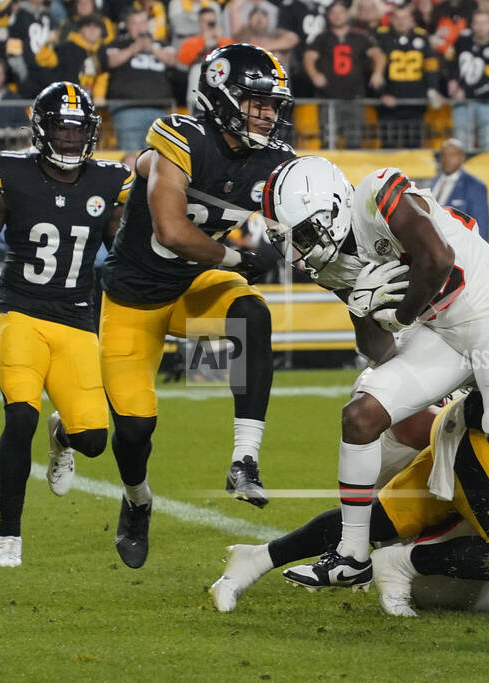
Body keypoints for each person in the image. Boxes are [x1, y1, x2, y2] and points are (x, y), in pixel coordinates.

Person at [263, 156, 489, 595]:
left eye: (303, 235)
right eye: (289, 241)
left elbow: (437, 259)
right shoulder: (330, 263)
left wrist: (399, 313)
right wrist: (361, 310)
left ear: (331, 207)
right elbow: (379, 351)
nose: (298, 251)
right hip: (441, 332)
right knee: (361, 415)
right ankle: (352, 554)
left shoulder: (375, 194)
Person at [99, 45, 294, 569]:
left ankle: (244, 459)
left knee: (252, 315)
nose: (269, 115)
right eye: (257, 103)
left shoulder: (276, 161)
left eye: (273, 105)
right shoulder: (180, 137)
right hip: (133, 300)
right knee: (134, 431)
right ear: (222, 96)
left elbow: (310, 220)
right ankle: (137, 500)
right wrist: (233, 256)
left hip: (190, 290)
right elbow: (171, 229)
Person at [0, 82, 133, 568]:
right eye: (62, 129)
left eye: (79, 129)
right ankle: (9, 537)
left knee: (94, 442)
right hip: (21, 313)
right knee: (19, 416)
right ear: (42, 130)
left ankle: (62, 435)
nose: (70, 139)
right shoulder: (13, 175)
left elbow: (127, 253)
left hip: (76, 321)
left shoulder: (109, 183)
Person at [211, 389, 489, 615]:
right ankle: (401, 563)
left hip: (469, 443)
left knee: (378, 519)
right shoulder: (419, 347)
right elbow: (410, 423)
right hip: (470, 446)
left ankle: (257, 557)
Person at [303, 0, 386, 149]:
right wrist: (314, 74)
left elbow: (378, 55)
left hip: (354, 97)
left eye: (340, 12)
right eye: (333, 13)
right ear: (328, 16)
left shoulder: (360, 37)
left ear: (347, 14)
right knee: (328, 140)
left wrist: (378, 73)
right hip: (328, 98)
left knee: (354, 140)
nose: (337, 16)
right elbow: (309, 57)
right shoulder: (322, 38)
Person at [101, 8, 177, 151]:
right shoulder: (118, 44)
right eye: (134, 23)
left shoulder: (162, 45)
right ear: (128, 26)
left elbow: (172, 60)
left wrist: (152, 48)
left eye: (142, 22)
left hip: (158, 108)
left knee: (155, 157)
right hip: (126, 108)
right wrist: (134, 48)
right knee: (131, 156)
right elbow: (111, 61)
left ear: (149, 24)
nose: (139, 27)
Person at [375, 4, 440, 149]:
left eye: (405, 18)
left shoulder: (422, 37)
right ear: (391, 19)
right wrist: (381, 94)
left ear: (412, 20)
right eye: (397, 18)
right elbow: (372, 72)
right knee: (388, 149)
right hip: (389, 107)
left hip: (415, 104)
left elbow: (431, 67)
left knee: (413, 148)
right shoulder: (382, 38)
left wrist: (432, 90)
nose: (401, 22)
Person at [447, 8, 489, 152]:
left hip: (487, 102)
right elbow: (449, 63)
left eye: (485, 23)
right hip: (460, 103)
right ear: (472, 25)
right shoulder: (462, 40)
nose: (481, 27)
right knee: (460, 144)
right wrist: (450, 81)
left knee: (487, 143)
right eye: (477, 23)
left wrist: (466, 93)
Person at [430, 138, 489, 240]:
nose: (447, 159)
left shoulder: (474, 185)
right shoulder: (434, 182)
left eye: (452, 155)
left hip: (458, 248)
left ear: (462, 158)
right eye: (443, 155)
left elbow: (481, 227)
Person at [177, 7, 231, 112]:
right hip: (198, 94)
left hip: (222, 94)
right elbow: (184, 61)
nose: (209, 25)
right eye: (206, 22)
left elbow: (232, 60)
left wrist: (218, 42)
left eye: (212, 22)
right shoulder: (191, 42)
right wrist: (205, 44)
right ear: (200, 23)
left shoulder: (225, 42)